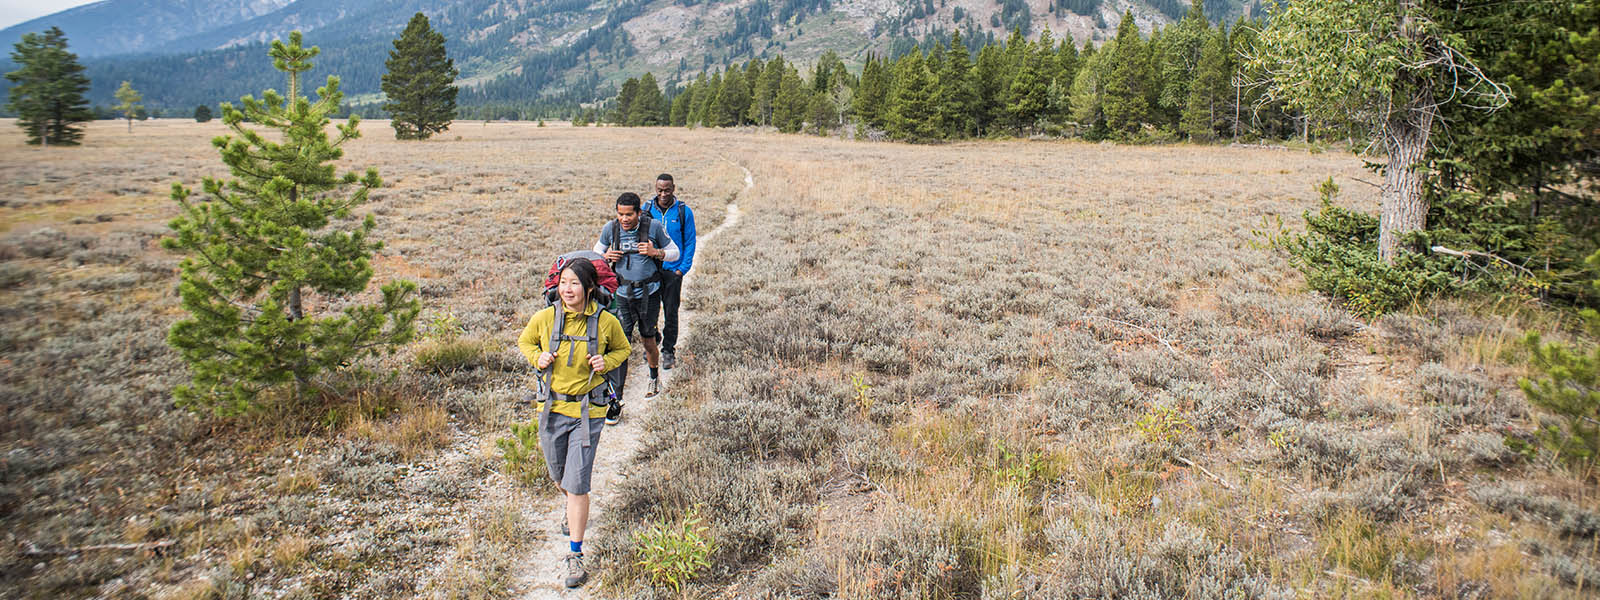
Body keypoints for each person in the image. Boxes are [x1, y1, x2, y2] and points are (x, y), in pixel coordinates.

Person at [516, 258, 630, 589]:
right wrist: (536, 357)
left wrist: (604, 361)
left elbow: (622, 350)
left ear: (590, 288)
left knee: (578, 483)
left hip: (587, 412)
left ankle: (575, 554)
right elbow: (525, 342)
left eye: (575, 283)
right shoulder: (545, 318)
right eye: (563, 283)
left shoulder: (606, 322)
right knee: (559, 476)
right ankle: (570, 507)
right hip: (550, 408)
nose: (568, 289)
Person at [595, 192, 679, 421]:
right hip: (621, 295)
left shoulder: (652, 227)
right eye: (620, 214)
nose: (624, 219)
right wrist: (605, 257)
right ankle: (616, 399)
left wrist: (656, 252)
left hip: (649, 294)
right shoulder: (610, 229)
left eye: (629, 214)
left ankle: (654, 375)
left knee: (648, 338)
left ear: (638, 212)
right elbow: (594, 254)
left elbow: (675, 252)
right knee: (619, 344)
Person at [644, 174, 696, 371]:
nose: (663, 194)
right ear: (655, 188)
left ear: (673, 188)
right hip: (651, 271)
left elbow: (690, 241)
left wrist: (682, 269)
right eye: (659, 190)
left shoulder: (683, 211)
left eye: (667, 190)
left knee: (671, 311)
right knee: (650, 311)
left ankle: (668, 350)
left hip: (672, 272)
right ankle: (652, 343)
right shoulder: (646, 209)